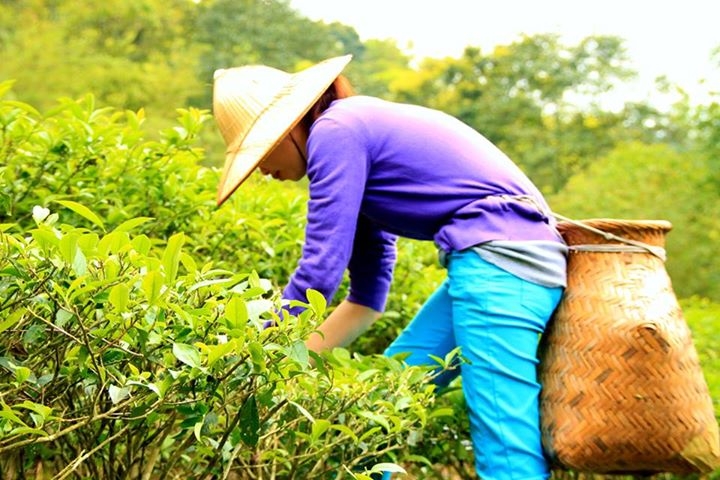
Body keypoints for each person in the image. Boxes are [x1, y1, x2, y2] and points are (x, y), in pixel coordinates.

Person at [212, 55, 567, 480]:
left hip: (502, 264)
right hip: (489, 261)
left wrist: (256, 358)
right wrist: (280, 373)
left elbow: (319, 272)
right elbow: (367, 298)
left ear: (287, 128)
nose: (262, 171)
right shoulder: (354, 136)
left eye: (260, 152)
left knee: (504, 446)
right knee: (378, 413)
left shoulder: (335, 131)